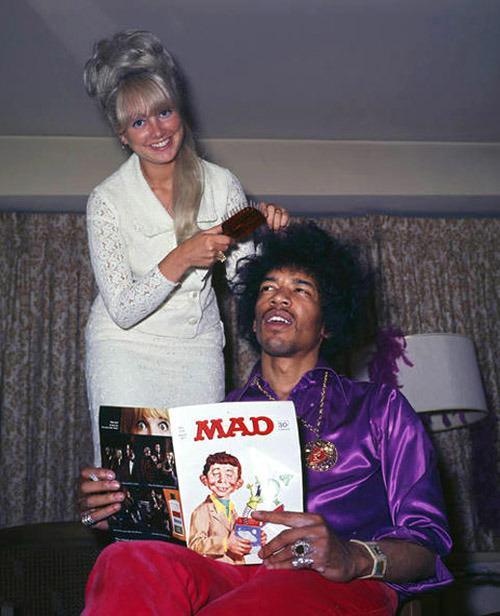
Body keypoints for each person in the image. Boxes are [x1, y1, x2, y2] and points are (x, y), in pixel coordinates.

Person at [78, 222, 453, 615]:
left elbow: (427, 549)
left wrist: (353, 556)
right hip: (230, 571)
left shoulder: (379, 407)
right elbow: (190, 532)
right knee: (127, 560)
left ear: (328, 325)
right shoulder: (214, 419)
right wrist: (121, 508)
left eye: (300, 289)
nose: (279, 298)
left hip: (335, 580)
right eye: (268, 288)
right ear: (254, 320)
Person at [83, 29, 289, 464]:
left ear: (181, 112)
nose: (156, 131)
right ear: (122, 135)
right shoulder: (106, 201)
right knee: (132, 482)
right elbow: (122, 308)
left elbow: (241, 279)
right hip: (125, 351)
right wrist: (182, 257)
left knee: (204, 472)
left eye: (164, 112)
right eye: (138, 122)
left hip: (197, 350)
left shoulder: (221, 185)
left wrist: (260, 235)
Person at [188, 452, 251, 564]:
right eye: (216, 474)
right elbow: (194, 545)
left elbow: (237, 542)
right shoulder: (202, 511)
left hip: (238, 569)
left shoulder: (232, 510)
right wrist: (225, 544)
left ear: (238, 483)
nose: (222, 480)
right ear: (204, 479)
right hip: (216, 570)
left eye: (229, 475)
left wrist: (253, 539)